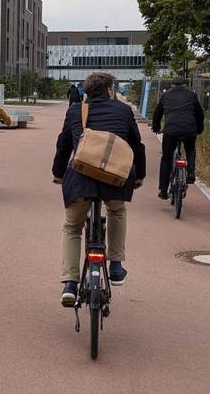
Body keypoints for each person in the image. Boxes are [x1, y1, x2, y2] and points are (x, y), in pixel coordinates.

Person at [52, 72, 146, 307]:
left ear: (86, 92)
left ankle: (70, 284)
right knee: (117, 211)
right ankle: (115, 265)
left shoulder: (75, 111)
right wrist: (139, 175)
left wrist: (58, 173)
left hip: (81, 178)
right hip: (114, 179)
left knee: (72, 226)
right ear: (110, 90)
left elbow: (63, 144)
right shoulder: (123, 111)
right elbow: (137, 145)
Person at [151, 76, 204, 199]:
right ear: (185, 84)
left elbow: (157, 113)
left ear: (172, 84)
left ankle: (163, 190)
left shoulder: (166, 96)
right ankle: (190, 172)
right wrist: (199, 128)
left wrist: (156, 127)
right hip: (189, 129)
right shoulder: (192, 95)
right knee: (190, 150)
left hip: (171, 130)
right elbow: (199, 114)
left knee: (166, 158)